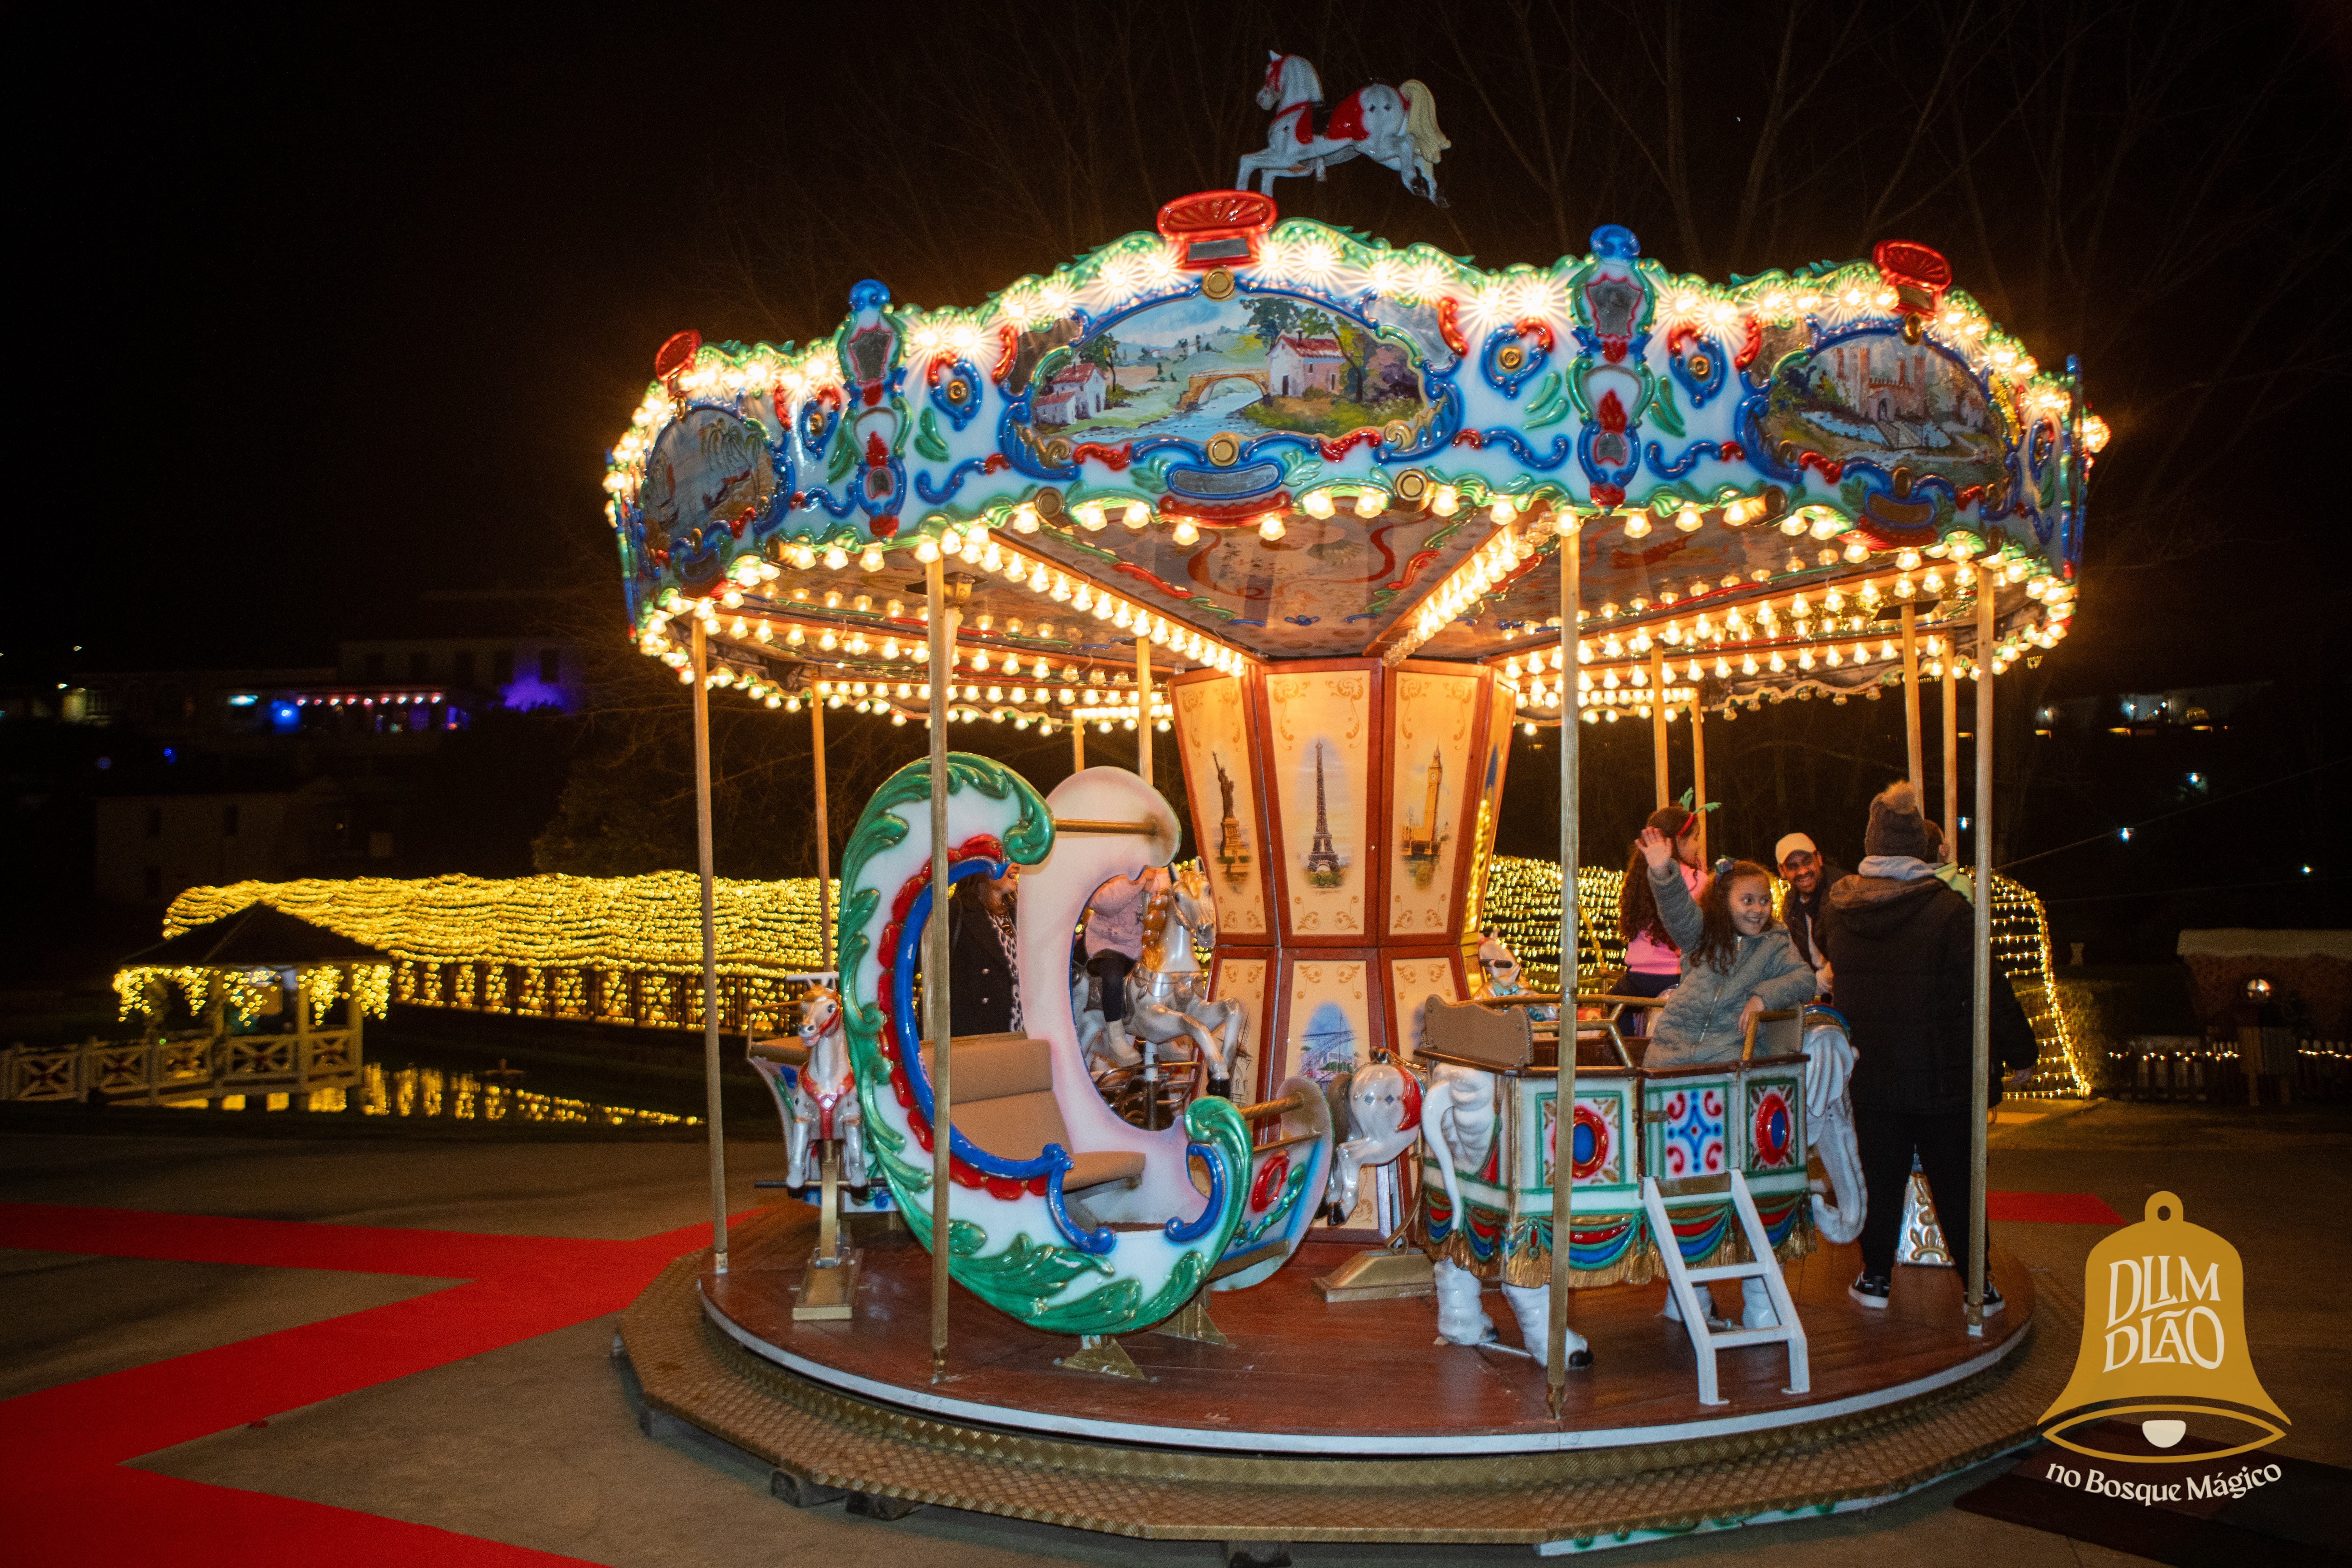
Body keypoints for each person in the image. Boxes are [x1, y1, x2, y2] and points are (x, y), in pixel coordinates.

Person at [1818, 782, 2037, 1318]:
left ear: (1872, 843)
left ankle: (1874, 1277)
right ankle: (1977, 1287)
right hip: (1943, 1072)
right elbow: (1988, 987)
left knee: (1881, 1175)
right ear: (1919, 846)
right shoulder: (1948, 910)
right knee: (1956, 1181)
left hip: (1872, 1073)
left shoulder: (1840, 910)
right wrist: (2020, 1051)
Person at [1633, 826, 1822, 1328]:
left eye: (1764, 900)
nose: (1758, 909)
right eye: (1747, 900)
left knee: (1734, 1191)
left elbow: (1804, 978)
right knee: (1673, 1184)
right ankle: (1688, 1295)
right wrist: (1662, 870)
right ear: (1725, 902)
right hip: (1673, 1062)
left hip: (1723, 1072)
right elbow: (1677, 915)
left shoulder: (1777, 944)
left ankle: (1758, 1301)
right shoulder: (1706, 938)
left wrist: (1763, 995)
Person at [1617, 807, 1709, 999]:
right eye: (1696, 838)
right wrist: (1704, 880)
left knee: (1609, 1013)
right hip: (1677, 976)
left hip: (1638, 979)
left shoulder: (1638, 878)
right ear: (1678, 841)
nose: (1699, 846)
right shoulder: (1696, 879)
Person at [921, 867, 1023, 1038]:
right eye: (1004, 859)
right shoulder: (954, 912)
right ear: (982, 867)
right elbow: (923, 968)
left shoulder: (1017, 915)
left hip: (1017, 1038)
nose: (1016, 865)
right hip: (976, 1045)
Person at [1081, 867, 1166, 1024]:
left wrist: (1154, 886)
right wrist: (1137, 881)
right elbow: (1101, 903)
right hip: (1110, 943)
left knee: (1167, 981)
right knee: (1113, 978)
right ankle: (1115, 1034)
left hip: (1145, 945)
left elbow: (1170, 897)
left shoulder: (1160, 868)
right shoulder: (1111, 866)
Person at [1774, 832, 1844, 988]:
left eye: (1807, 862)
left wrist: (1816, 984)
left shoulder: (1842, 893)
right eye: (1793, 866)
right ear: (1782, 871)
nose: (1803, 871)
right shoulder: (1791, 903)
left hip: (1842, 987)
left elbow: (1847, 957)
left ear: (1819, 859)